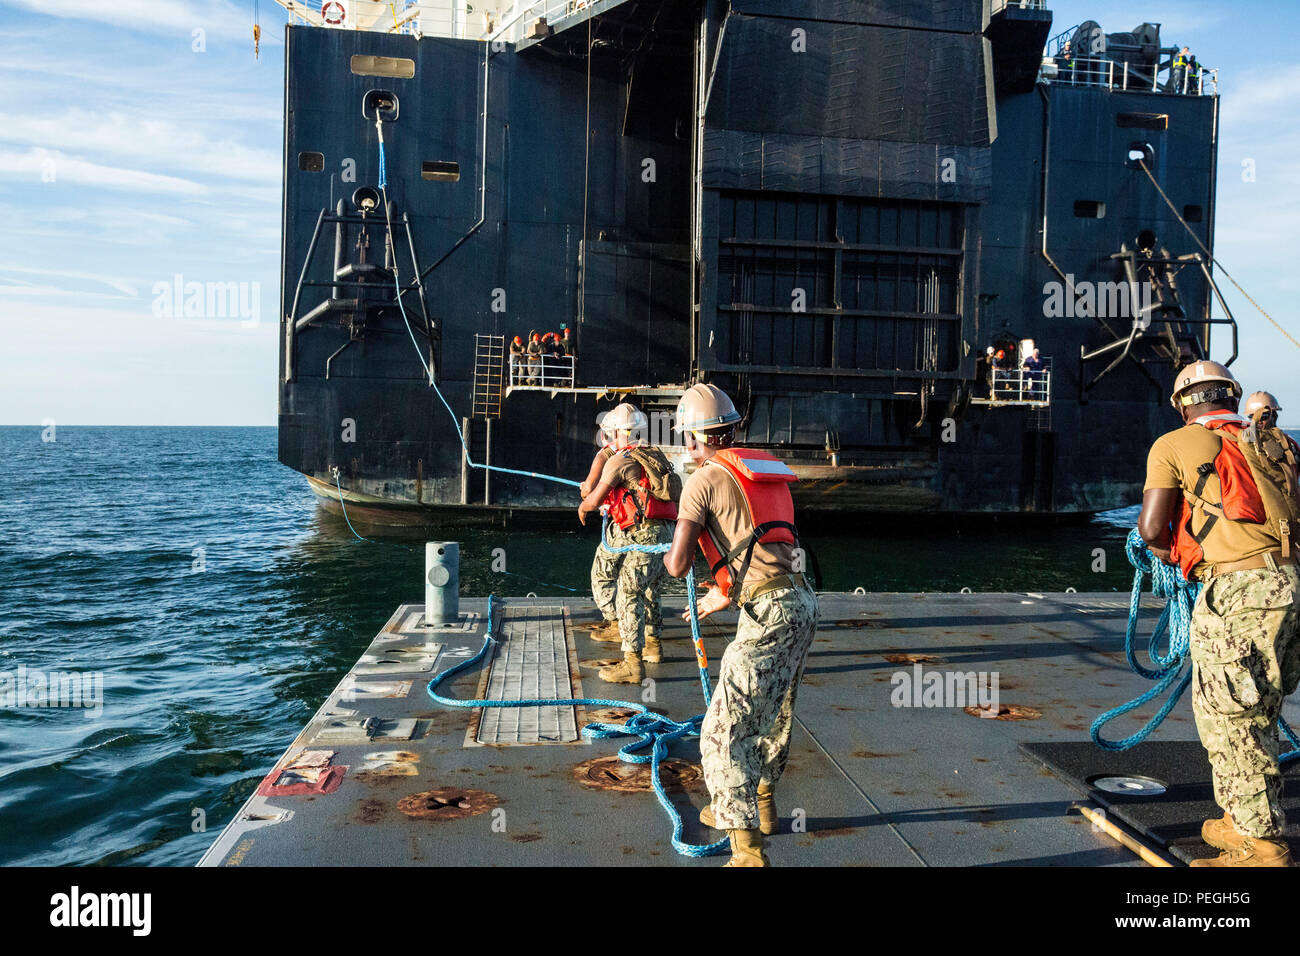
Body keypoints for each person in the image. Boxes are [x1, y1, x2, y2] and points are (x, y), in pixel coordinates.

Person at [1138, 360, 1300, 867]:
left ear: (1183, 403)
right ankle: (1240, 818)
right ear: (1232, 396)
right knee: (1260, 706)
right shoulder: (1273, 442)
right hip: (1289, 583)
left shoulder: (1172, 444)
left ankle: (1263, 848)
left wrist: (1169, 553)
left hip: (1236, 589)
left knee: (1232, 717)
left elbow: (1150, 527)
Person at [663, 383, 820, 867]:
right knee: (773, 714)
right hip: (802, 602)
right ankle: (765, 808)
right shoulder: (763, 473)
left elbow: (675, 564)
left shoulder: (703, 479)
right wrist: (724, 593)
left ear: (693, 436)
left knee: (721, 732)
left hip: (768, 614)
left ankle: (748, 852)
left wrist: (688, 544)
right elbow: (764, 549)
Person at [576, 403, 679, 682]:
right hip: (666, 533)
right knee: (650, 588)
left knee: (629, 590)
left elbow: (594, 499)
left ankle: (633, 664)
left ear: (620, 433)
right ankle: (653, 645)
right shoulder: (653, 455)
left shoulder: (620, 461)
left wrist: (584, 506)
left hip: (644, 534)